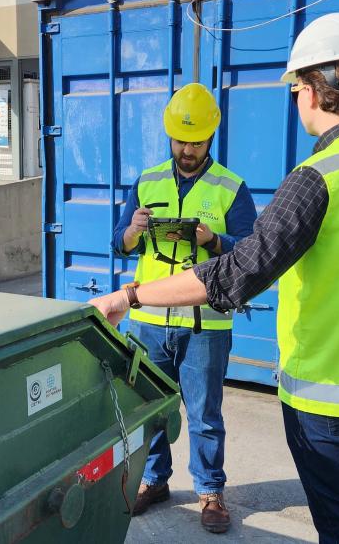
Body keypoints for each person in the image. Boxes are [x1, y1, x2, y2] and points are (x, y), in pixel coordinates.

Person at [91, 13, 339, 543]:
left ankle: (212, 488)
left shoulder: (319, 177)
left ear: (311, 91)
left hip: (325, 393)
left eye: (295, 90)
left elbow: (238, 272)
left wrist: (129, 295)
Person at [113, 82, 256, 533]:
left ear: (210, 138)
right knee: (151, 409)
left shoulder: (231, 188)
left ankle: (210, 491)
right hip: (149, 323)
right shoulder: (147, 181)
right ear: (170, 137)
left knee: (204, 415)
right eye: (180, 141)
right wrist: (133, 231)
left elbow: (250, 253)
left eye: (195, 142)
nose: (187, 150)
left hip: (204, 324)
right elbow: (118, 243)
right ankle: (154, 480)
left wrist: (213, 240)